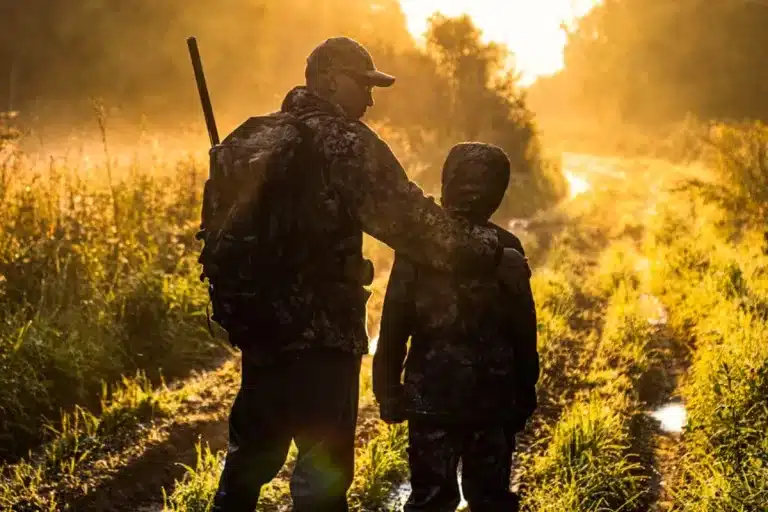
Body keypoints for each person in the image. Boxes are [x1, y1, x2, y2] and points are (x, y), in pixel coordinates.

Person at [210, 37, 531, 512]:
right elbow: (410, 221)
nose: (370, 97)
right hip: (322, 332)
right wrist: (488, 250)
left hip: (260, 327)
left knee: (252, 454)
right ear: (332, 79)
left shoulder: (250, 137)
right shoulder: (343, 140)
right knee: (322, 467)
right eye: (363, 84)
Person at [372, 142, 539, 512]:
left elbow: (394, 323)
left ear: (448, 182)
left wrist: (387, 388)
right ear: (498, 191)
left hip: (430, 397)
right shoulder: (506, 248)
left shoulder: (418, 248)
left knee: (430, 499)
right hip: (492, 399)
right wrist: (526, 388)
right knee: (490, 499)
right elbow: (524, 329)